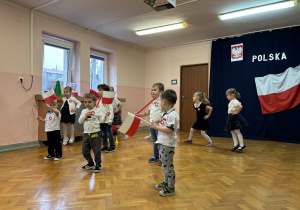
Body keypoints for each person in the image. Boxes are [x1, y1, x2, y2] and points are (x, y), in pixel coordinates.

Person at [150, 89, 179, 196]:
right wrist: (156, 122)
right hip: (162, 143)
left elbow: (170, 129)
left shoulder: (172, 115)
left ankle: (171, 188)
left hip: (168, 144)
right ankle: (166, 183)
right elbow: (161, 119)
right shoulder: (166, 112)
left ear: (164, 102)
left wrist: (157, 127)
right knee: (164, 166)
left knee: (168, 167)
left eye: (160, 100)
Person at [136, 82, 164, 165]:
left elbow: (164, 115)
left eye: (155, 90)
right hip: (152, 125)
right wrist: (138, 114)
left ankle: (162, 158)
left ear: (161, 91)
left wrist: (156, 121)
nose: (152, 92)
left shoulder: (162, 101)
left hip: (159, 126)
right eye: (151, 90)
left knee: (160, 142)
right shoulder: (152, 102)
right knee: (155, 141)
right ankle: (156, 156)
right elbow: (147, 113)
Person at [78, 93, 104, 173]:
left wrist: (105, 117)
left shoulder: (98, 110)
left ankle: (98, 164)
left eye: (89, 102)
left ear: (94, 102)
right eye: (85, 102)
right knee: (84, 151)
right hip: (86, 134)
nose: (87, 104)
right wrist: (84, 116)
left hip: (95, 133)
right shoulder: (84, 111)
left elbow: (101, 120)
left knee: (96, 151)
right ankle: (90, 163)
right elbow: (80, 121)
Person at [98, 84, 115, 153]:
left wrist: (110, 119)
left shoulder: (109, 101)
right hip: (101, 120)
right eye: (98, 90)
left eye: (100, 90)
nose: (98, 92)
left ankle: (112, 147)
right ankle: (105, 146)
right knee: (103, 134)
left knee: (109, 133)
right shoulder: (99, 101)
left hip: (107, 121)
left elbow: (111, 111)